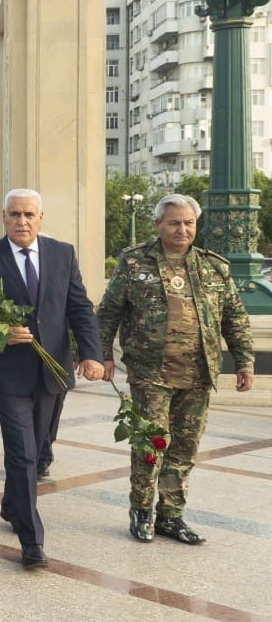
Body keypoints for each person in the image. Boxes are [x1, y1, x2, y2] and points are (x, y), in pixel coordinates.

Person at [96, 193, 254, 545]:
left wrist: (244, 361)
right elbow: (108, 312)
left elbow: (235, 319)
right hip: (151, 373)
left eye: (189, 223)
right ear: (158, 225)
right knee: (151, 446)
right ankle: (141, 512)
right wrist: (101, 354)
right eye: (174, 223)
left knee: (184, 449)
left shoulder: (214, 267)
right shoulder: (135, 262)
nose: (182, 229)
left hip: (199, 375)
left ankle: (172, 516)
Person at [0, 189, 103, 570]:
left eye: (28, 214)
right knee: (22, 452)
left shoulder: (62, 253)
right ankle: (32, 539)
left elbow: (79, 308)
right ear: (3, 217)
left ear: (40, 218)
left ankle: (12, 505)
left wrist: (92, 354)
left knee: (38, 449)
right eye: (14, 214)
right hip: (8, 373)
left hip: (52, 369)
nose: (21, 221)